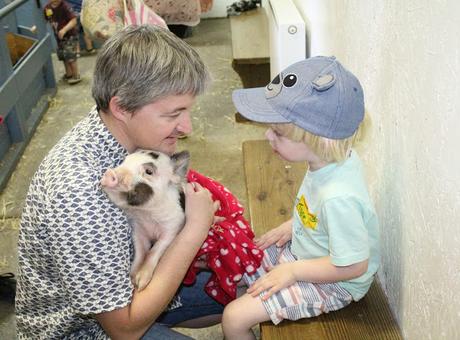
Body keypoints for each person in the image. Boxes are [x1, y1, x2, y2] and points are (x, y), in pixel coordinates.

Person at [16, 25, 223, 339]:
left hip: (129, 281)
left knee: (247, 282)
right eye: (173, 114)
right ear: (121, 106)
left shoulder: (123, 132)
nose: (187, 127)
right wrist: (195, 231)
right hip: (88, 330)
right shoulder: (79, 192)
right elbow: (123, 329)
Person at [222, 56, 380, 339]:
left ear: (319, 138)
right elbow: (318, 212)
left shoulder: (338, 197)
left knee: (234, 317)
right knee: (242, 262)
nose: (268, 137)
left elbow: (354, 265)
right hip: (309, 252)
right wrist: (293, 225)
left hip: (336, 283)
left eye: (279, 133)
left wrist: (293, 272)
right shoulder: (331, 162)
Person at [43, 0, 81, 84]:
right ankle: (69, 74)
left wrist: (64, 29)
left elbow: (74, 21)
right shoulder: (47, 8)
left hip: (69, 36)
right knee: (63, 57)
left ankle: (76, 75)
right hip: (59, 38)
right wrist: (36, 27)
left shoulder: (65, 6)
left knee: (70, 56)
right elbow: (44, 20)